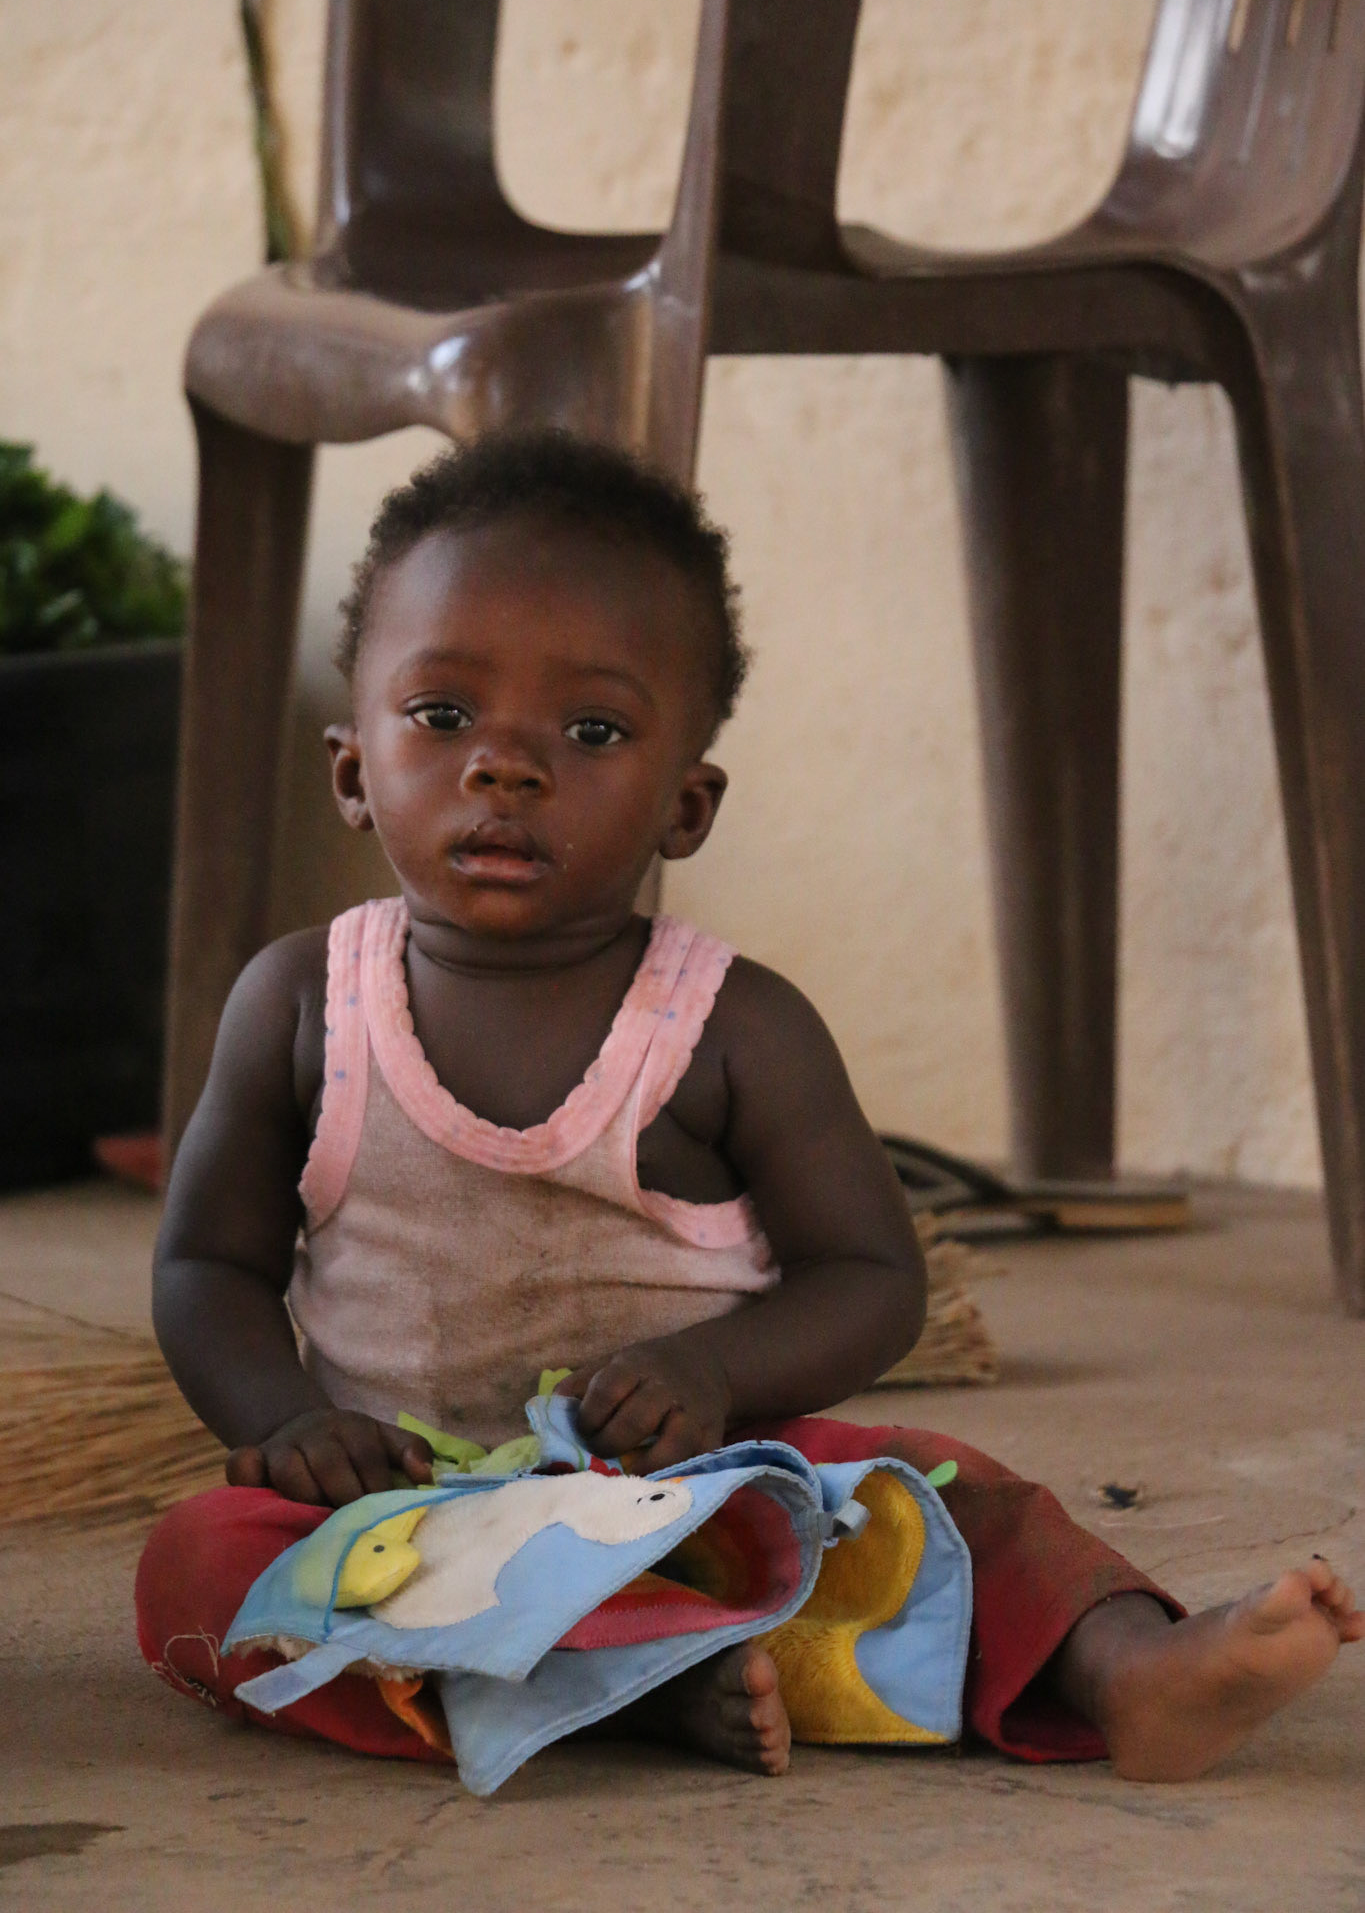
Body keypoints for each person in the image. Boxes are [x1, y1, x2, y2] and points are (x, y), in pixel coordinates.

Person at [141, 431, 1361, 1782]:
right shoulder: (301, 1005)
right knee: (203, 1565)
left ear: (687, 804)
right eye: (441, 715)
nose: (504, 766)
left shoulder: (732, 1028)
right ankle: (637, 1682)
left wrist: (714, 1376)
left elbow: (871, 1278)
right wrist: (286, 1421)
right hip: (408, 1515)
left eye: (590, 732)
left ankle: (1128, 1667)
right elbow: (208, 1266)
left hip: (704, 1495)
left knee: (938, 1495)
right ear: (351, 770)